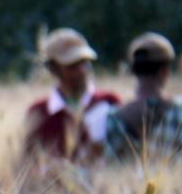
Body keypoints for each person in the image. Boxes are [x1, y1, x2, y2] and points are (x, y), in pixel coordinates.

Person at [104, 33, 182, 164]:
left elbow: (106, 164)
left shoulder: (113, 118)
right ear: (164, 70)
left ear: (134, 71)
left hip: (125, 185)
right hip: (174, 184)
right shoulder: (181, 114)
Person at [23, 28, 120, 170]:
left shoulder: (109, 102)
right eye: (73, 65)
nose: (82, 70)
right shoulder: (39, 112)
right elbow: (28, 167)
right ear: (53, 68)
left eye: (85, 62)